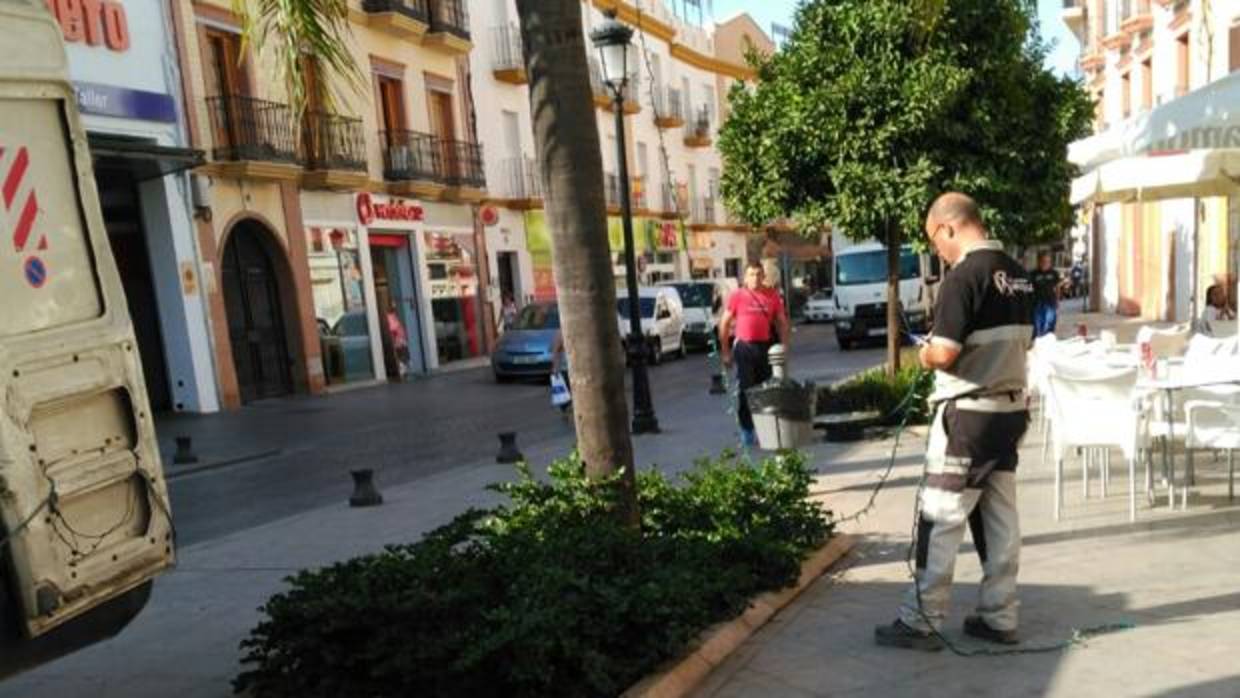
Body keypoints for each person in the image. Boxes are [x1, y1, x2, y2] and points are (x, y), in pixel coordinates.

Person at [874, 192, 1035, 651]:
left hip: (968, 417)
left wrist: (923, 352)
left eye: (935, 241)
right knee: (1001, 517)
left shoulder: (964, 277)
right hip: (1010, 412)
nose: (937, 252)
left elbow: (944, 351)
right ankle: (1000, 616)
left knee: (941, 517)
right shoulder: (1018, 275)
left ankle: (921, 619)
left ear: (949, 227)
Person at [718, 262, 791, 447]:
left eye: (759, 274)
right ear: (745, 277)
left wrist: (784, 347)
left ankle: (765, 430)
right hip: (744, 347)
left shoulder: (772, 296)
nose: (755, 278)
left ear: (763, 276)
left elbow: (782, 322)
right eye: (751, 274)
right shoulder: (737, 296)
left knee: (766, 391)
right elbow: (724, 324)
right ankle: (747, 432)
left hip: (765, 348)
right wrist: (726, 353)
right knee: (746, 390)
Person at [1029, 252, 1067, 338]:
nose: (1045, 263)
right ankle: (1039, 338)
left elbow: (1057, 287)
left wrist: (1057, 300)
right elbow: (1029, 288)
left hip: (1050, 301)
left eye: (1048, 261)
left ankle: (1048, 338)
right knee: (1038, 322)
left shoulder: (1054, 273)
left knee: (1050, 321)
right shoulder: (1033, 274)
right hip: (1037, 302)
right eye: (1043, 261)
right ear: (1039, 262)